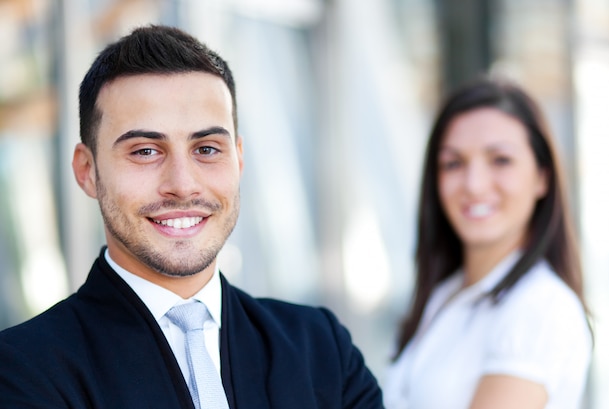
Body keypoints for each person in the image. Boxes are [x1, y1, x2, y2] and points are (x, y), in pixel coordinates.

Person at [0, 25, 383, 409]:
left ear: (239, 159)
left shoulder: (322, 351)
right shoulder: (24, 368)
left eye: (207, 148)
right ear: (87, 171)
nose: (182, 185)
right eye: (146, 151)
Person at [384, 77, 592, 409]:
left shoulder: (539, 308)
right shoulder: (442, 295)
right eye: (453, 163)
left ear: (542, 177)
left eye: (500, 160)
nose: (475, 185)